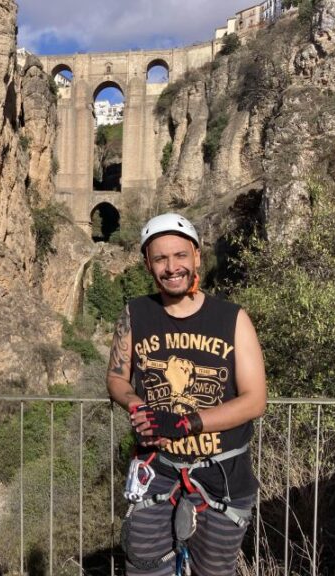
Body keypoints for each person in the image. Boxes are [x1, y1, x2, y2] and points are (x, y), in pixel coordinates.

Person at [106, 213, 267, 576]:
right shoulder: (135, 314)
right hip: (155, 469)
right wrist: (135, 403)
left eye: (179, 255)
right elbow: (116, 377)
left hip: (222, 473)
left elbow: (255, 399)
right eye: (160, 258)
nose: (171, 267)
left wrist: (187, 422)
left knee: (214, 570)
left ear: (196, 256)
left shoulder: (232, 318)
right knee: (145, 565)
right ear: (148, 264)